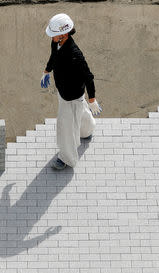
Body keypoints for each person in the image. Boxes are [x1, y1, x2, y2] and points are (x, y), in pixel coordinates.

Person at [41, 13, 102, 170]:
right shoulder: (56, 43)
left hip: (71, 96)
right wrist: (47, 71)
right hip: (64, 92)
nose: (52, 37)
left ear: (64, 34)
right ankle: (87, 130)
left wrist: (92, 99)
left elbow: (88, 77)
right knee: (80, 113)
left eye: (54, 35)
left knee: (66, 128)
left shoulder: (75, 55)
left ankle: (67, 158)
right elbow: (53, 56)